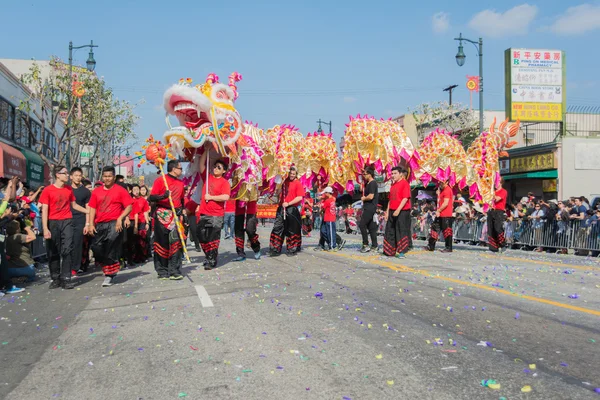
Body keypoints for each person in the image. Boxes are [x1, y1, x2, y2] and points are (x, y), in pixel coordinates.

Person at [39, 166, 89, 289]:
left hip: (67, 221)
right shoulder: (48, 190)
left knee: (67, 249)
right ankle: (55, 278)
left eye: (67, 173)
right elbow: (44, 210)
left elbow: (74, 205)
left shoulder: (68, 189)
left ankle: (66, 278)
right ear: (57, 175)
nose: (67, 175)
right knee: (53, 251)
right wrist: (45, 228)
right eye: (65, 173)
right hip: (53, 222)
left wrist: (88, 211)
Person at [88, 166, 133, 287]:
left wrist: (120, 218)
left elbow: (129, 206)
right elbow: (92, 208)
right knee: (96, 247)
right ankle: (110, 265)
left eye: (109, 176)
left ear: (114, 177)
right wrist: (90, 223)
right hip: (100, 223)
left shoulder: (120, 190)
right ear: (102, 177)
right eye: (105, 176)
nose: (107, 179)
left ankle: (109, 274)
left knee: (111, 246)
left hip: (114, 223)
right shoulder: (96, 192)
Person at [149, 160, 185, 280]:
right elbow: (151, 197)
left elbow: (181, 200)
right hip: (162, 214)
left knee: (175, 243)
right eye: (180, 168)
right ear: (174, 169)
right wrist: (163, 196)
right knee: (162, 243)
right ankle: (162, 270)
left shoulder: (181, 183)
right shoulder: (160, 180)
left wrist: (181, 211)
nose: (181, 170)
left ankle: (175, 270)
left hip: (175, 215)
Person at [197, 150, 231, 270]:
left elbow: (226, 197)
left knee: (213, 238)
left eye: (219, 167)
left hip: (216, 215)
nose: (216, 168)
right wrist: (206, 150)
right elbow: (201, 165)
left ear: (224, 171)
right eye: (215, 166)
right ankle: (209, 256)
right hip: (204, 213)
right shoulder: (207, 177)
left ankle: (211, 261)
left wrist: (211, 197)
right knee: (201, 236)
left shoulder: (225, 183)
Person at [269, 166, 303, 256]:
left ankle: (292, 249)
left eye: (293, 174)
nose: (291, 175)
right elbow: (278, 192)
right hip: (281, 208)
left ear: (296, 174)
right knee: (278, 227)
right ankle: (275, 248)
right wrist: (278, 185)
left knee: (292, 230)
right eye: (290, 173)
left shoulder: (298, 183)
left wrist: (288, 203)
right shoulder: (284, 181)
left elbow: (299, 197)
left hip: (291, 209)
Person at [383, 167, 411, 258]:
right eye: (392, 174)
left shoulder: (404, 183)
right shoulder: (393, 185)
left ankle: (401, 251)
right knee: (390, 230)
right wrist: (387, 212)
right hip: (392, 210)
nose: (393, 176)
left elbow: (405, 198)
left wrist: (398, 210)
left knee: (401, 230)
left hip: (402, 211)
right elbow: (390, 200)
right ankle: (390, 250)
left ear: (400, 174)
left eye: (395, 173)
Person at [69, 167, 91, 275]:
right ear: (71, 176)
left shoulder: (86, 192)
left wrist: (87, 224)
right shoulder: (67, 189)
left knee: (77, 244)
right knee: (68, 244)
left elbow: (88, 209)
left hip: (80, 219)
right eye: (76, 175)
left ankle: (75, 268)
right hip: (67, 219)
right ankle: (66, 266)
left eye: (80, 175)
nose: (78, 178)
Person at [426, 181, 453, 253]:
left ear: (447, 182)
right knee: (434, 229)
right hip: (440, 214)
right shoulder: (441, 190)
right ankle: (430, 246)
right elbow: (440, 201)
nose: (440, 184)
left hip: (446, 214)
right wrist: (438, 194)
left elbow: (445, 203)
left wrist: (439, 210)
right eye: (440, 183)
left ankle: (448, 247)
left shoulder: (447, 190)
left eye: (442, 183)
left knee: (447, 231)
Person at [359, 166, 379, 253]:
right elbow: (362, 190)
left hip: (370, 207)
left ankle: (365, 244)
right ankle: (374, 245)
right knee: (371, 227)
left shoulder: (372, 183)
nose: (364, 175)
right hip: (368, 207)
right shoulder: (368, 183)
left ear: (370, 174)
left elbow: (371, 196)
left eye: (365, 174)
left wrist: (364, 198)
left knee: (362, 224)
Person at [130, 184, 150, 264]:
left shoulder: (143, 200)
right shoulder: (129, 200)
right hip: (132, 222)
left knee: (142, 239)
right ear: (131, 191)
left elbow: (145, 212)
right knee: (133, 240)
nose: (136, 191)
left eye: (137, 190)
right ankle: (134, 257)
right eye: (134, 190)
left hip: (141, 221)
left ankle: (142, 256)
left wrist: (147, 222)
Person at [488, 178, 507, 253]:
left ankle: (503, 244)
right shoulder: (493, 191)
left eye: (497, 182)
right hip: (491, 210)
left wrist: (490, 194)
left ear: (501, 183)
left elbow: (497, 199)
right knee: (491, 229)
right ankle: (493, 247)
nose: (495, 184)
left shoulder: (503, 191)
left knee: (498, 228)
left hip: (499, 211)